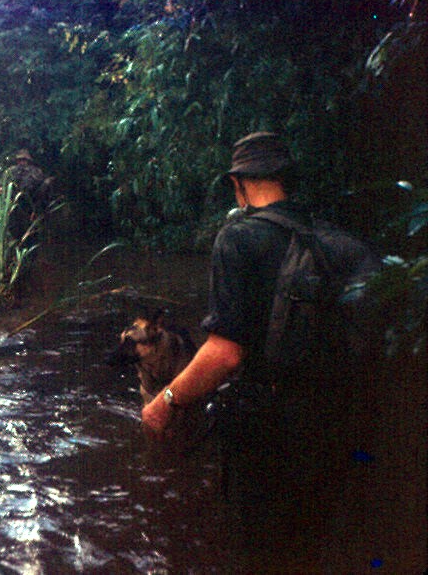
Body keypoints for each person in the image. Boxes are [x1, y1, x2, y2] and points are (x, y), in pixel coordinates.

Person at [141, 131, 380, 514]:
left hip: (266, 435)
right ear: (286, 178)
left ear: (238, 184)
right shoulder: (336, 239)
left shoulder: (237, 238)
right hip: (336, 423)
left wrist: (165, 401)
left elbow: (225, 354)